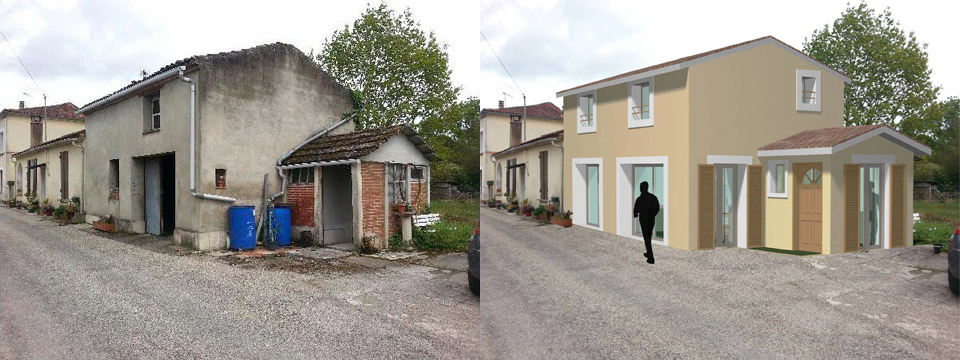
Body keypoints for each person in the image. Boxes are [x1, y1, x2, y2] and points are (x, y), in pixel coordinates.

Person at [633, 181, 660, 264]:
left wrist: (637, 213)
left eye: (641, 187)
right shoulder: (653, 197)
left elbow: (636, 210)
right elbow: (657, 208)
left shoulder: (640, 199)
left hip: (644, 220)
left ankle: (651, 257)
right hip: (651, 220)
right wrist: (652, 215)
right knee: (648, 236)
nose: (640, 189)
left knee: (647, 237)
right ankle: (648, 253)